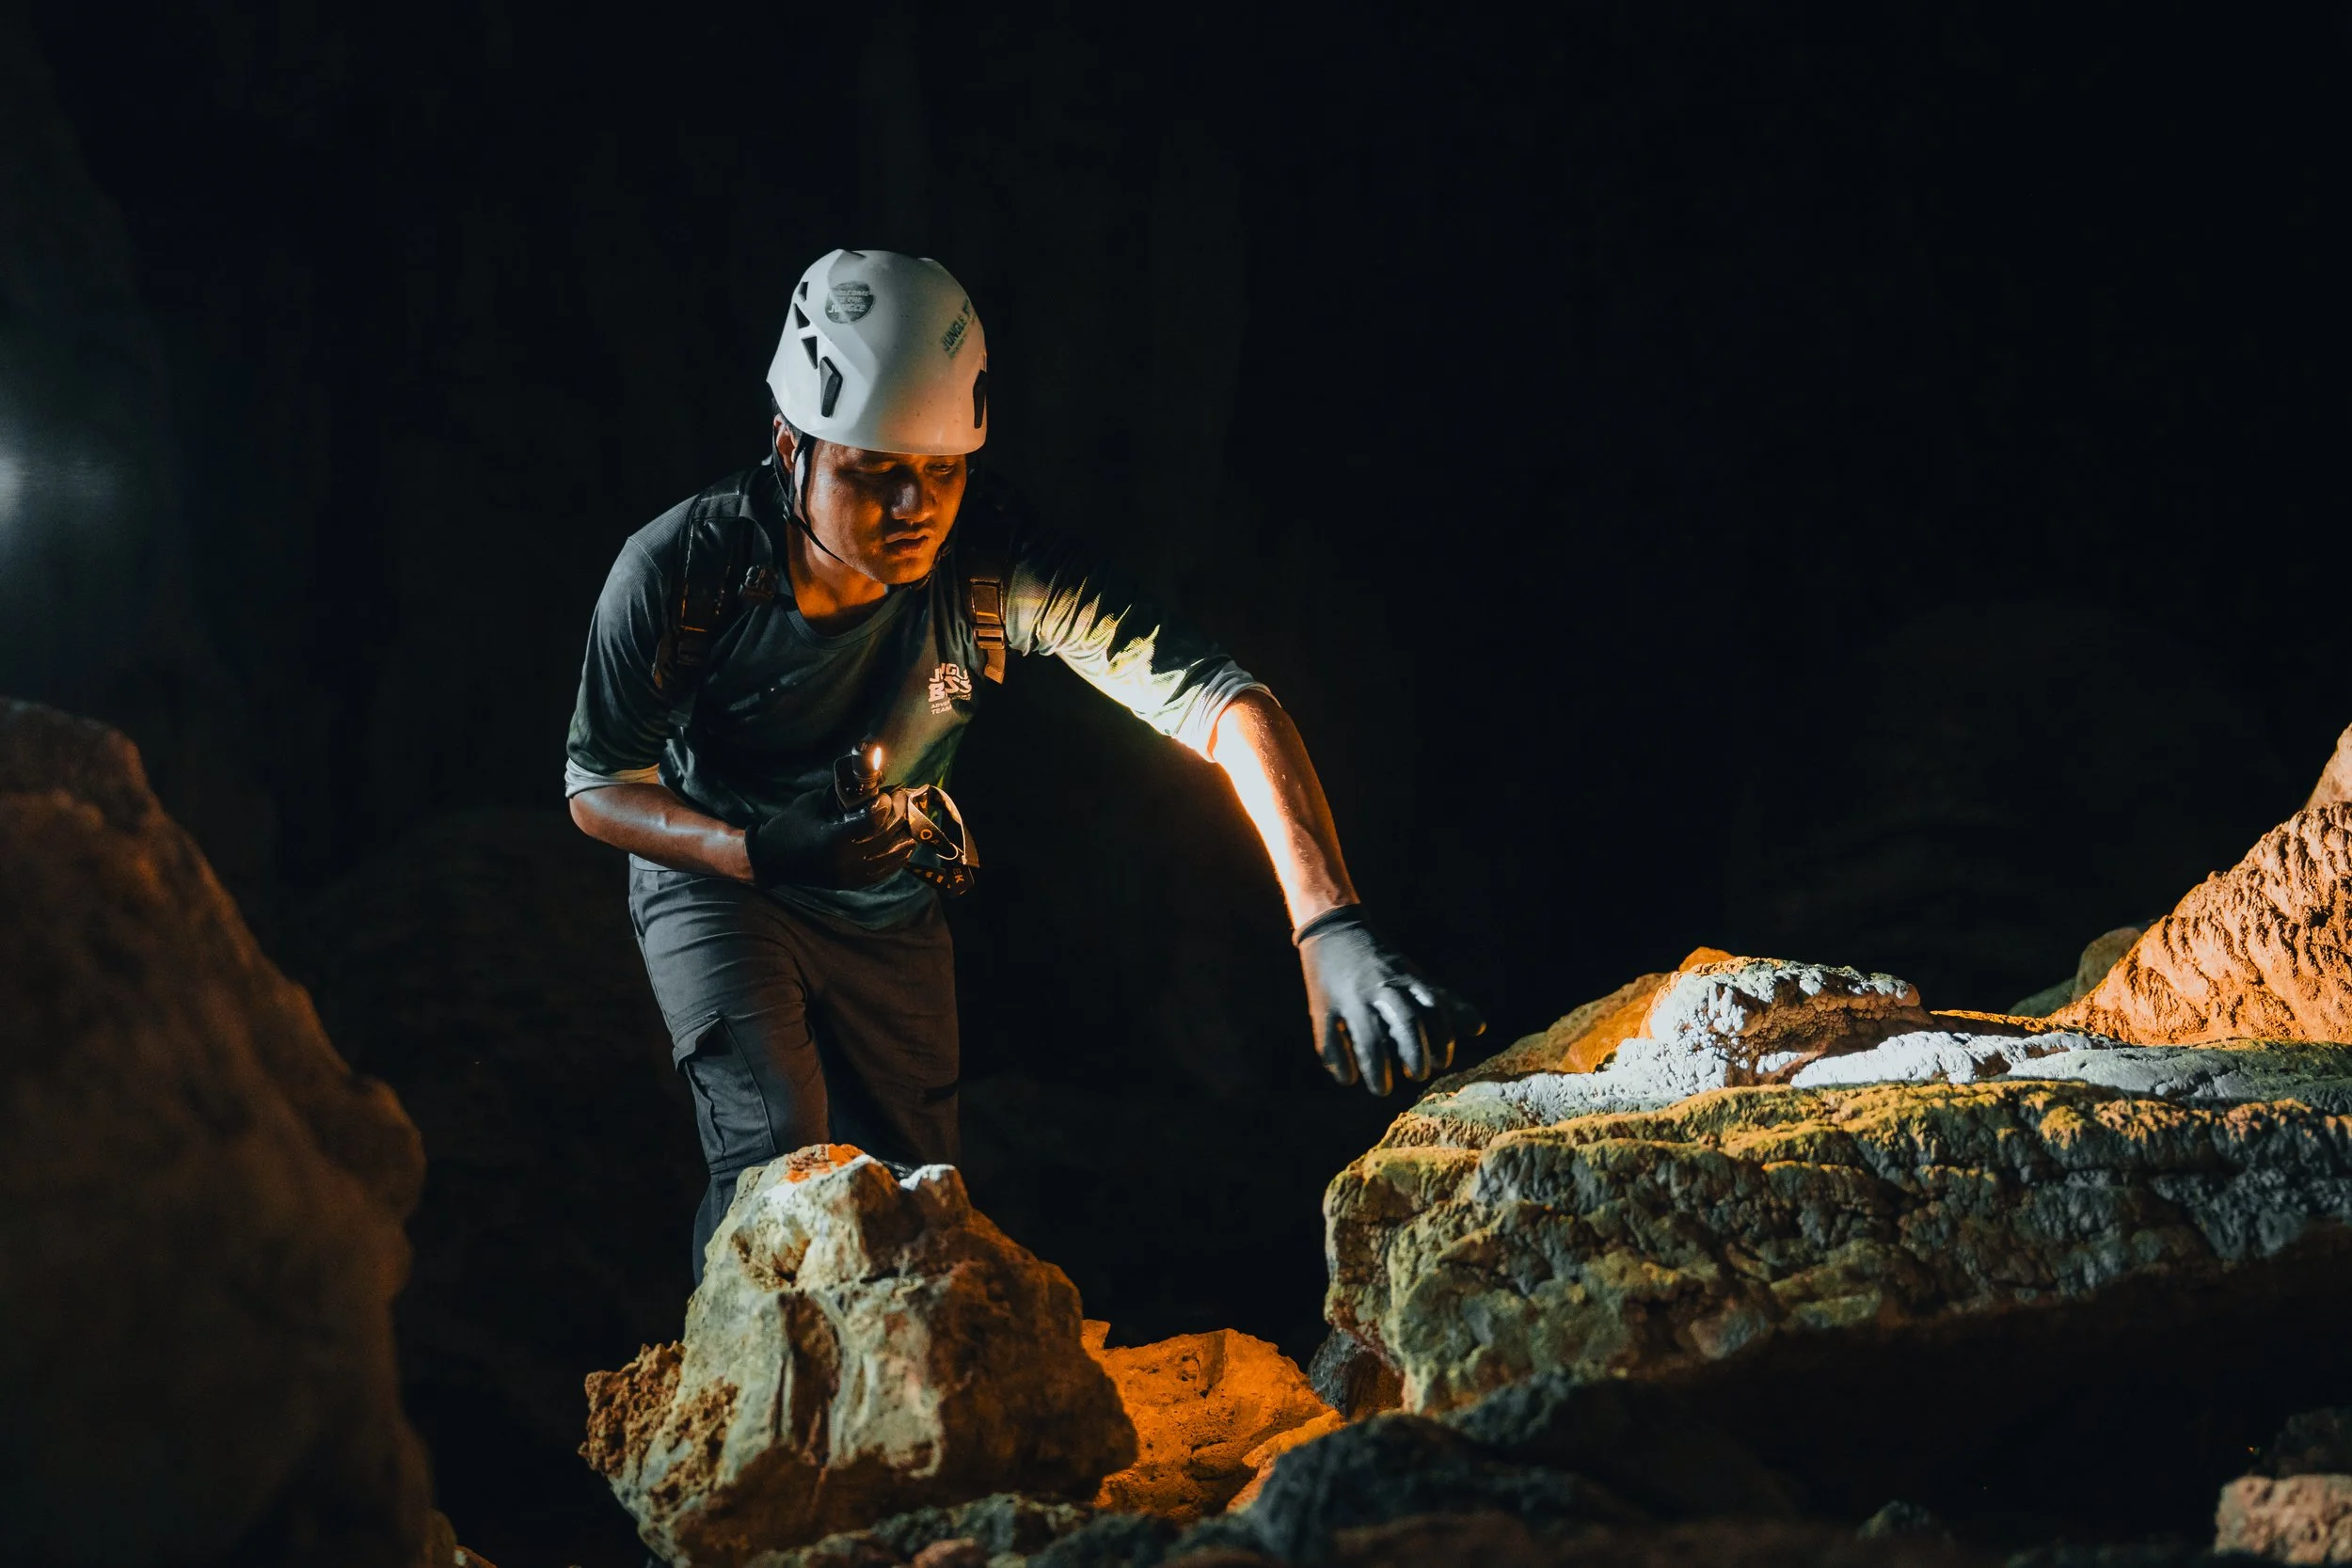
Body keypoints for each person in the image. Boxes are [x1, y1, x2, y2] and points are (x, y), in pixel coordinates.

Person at [564, 248, 1481, 1276]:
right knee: (774, 1169)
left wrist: (1328, 919)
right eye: (874, 470)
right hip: (720, 883)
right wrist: (759, 849)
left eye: (943, 470)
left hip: (883, 901)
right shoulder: (681, 569)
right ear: (791, 448)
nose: (915, 503)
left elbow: (1222, 701)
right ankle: (740, 1420)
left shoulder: (995, 561)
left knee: (918, 1209)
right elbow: (598, 787)